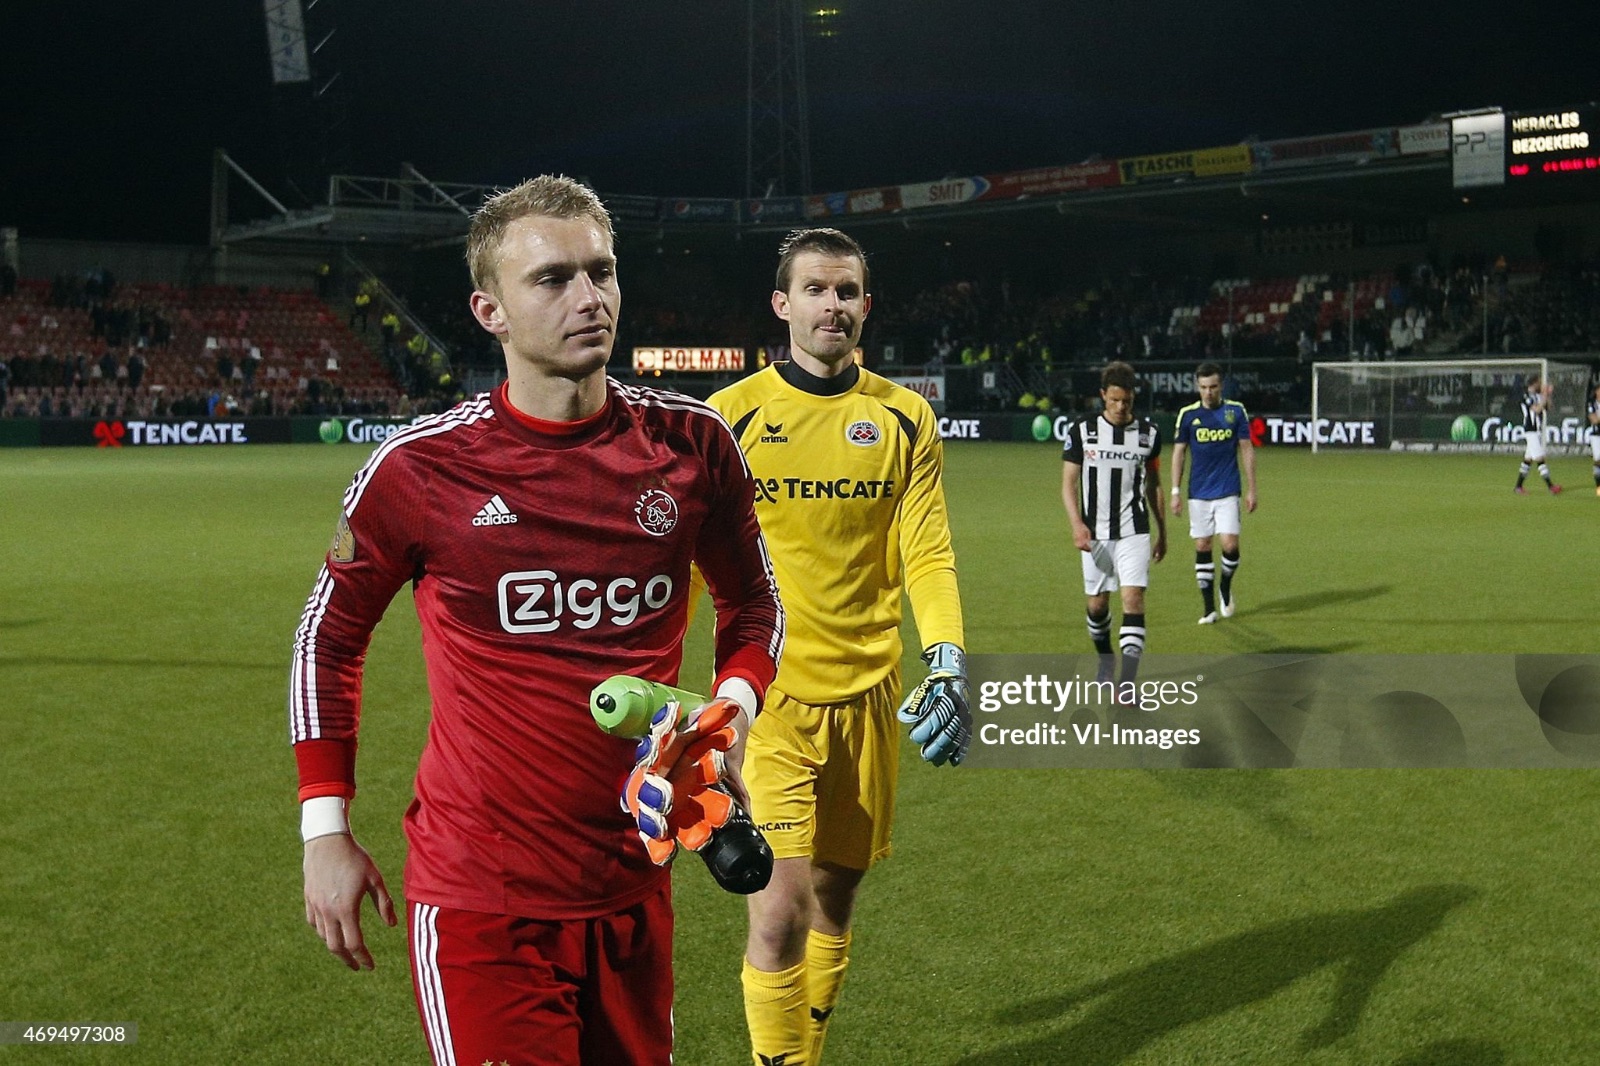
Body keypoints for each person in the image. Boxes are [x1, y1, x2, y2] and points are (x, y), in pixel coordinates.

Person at [290, 175, 784, 1066]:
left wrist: (730, 716)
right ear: (491, 311)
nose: (589, 298)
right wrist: (325, 829)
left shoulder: (694, 445)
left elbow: (754, 604)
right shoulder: (421, 470)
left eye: (602, 271)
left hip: (638, 879)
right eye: (553, 279)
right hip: (486, 899)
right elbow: (328, 640)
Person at [701, 227, 970, 1066]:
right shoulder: (731, 417)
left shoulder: (903, 417)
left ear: (866, 306)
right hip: (769, 700)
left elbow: (926, 550)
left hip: (871, 697)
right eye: (815, 289)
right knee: (777, 910)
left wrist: (950, 663)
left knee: (833, 899)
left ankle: (802, 1055)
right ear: (782, 305)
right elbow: (680, 558)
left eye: (847, 291)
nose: (833, 305)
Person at [1062, 361, 1167, 687]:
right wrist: (1077, 524)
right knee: (1097, 606)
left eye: (1127, 401)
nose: (1121, 407)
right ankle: (1106, 659)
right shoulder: (1082, 431)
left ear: (1134, 398)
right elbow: (1068, 484)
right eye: (1114, 400)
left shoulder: (1149, 434)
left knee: (1133, 600)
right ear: (1103, 396)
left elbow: (1154, 485)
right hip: (1094, 534)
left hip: (1134, 531)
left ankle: (1127, 683)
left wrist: (1163, 531)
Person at [1169, 362, 1257, 624]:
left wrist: (1252, 488)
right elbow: (1179, 453)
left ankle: (1225, 587)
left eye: (1213, 387)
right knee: (1203, 545)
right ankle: (1208, 609)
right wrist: (1175, 491)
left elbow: (1246, 449)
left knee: (1230, 545)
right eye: (1204, 387)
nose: (1208, 392)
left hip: (1228, 488)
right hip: (1198, 493)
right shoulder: (1187, 415)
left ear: (1221, 386)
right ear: (1198, 387)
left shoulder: (1235, 411)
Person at [1514, 376, 1561, 495]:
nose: (1541, 385)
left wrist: (1548, 395)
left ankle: (1518, 487)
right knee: (1540, 459)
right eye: (1539, 383)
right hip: (1530, 429)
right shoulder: (1527, 396)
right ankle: (1551, 486)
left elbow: (1549, 407)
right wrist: (1544, 396)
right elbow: (1536, 409)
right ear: (1534, 383)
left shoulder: (1538, 395)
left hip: (1536, 430)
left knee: (1527, 460)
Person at [1588, 382, 1599, 498]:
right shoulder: (1592, 404)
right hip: (1596, 436)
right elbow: (1594, 420)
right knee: (1598, 459)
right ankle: (1598, 487)